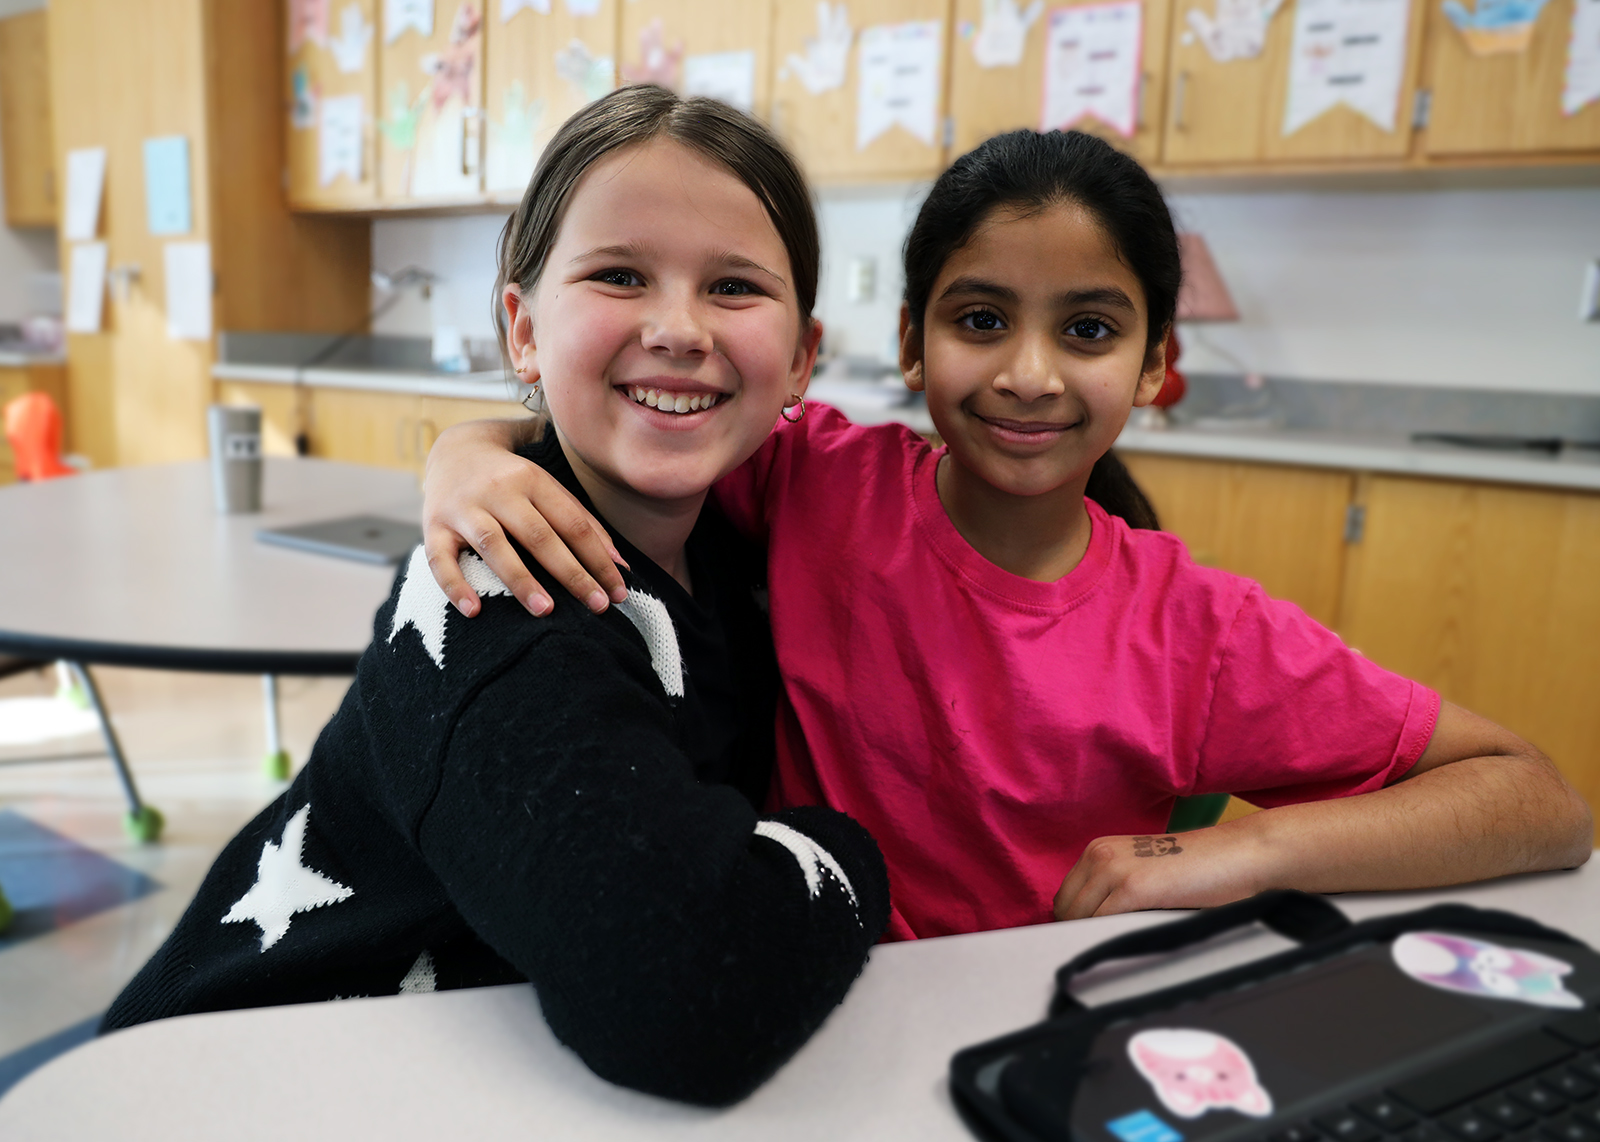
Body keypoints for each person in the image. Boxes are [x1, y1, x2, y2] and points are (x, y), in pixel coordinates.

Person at [419, 128, 1592, 943]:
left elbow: (1538, 798)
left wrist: (1246, 852)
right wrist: (468, 451)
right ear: (914, 344)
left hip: (1030, 1019)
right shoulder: (817, 478)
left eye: (1087, 327)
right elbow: (634, 419)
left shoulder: (1201, 631)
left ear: (1154, 366)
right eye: (981, 319)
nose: (1028, 374)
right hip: (797, 997)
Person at [100, 87, 891, 1108]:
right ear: (522, 328)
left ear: (802, 357)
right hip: (209, 1097)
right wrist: (848, 845)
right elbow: (688, 1003)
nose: (678, 327)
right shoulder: (503, 606)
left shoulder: (744, 549)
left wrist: (475, 440)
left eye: (733, 286)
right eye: (618, 273)